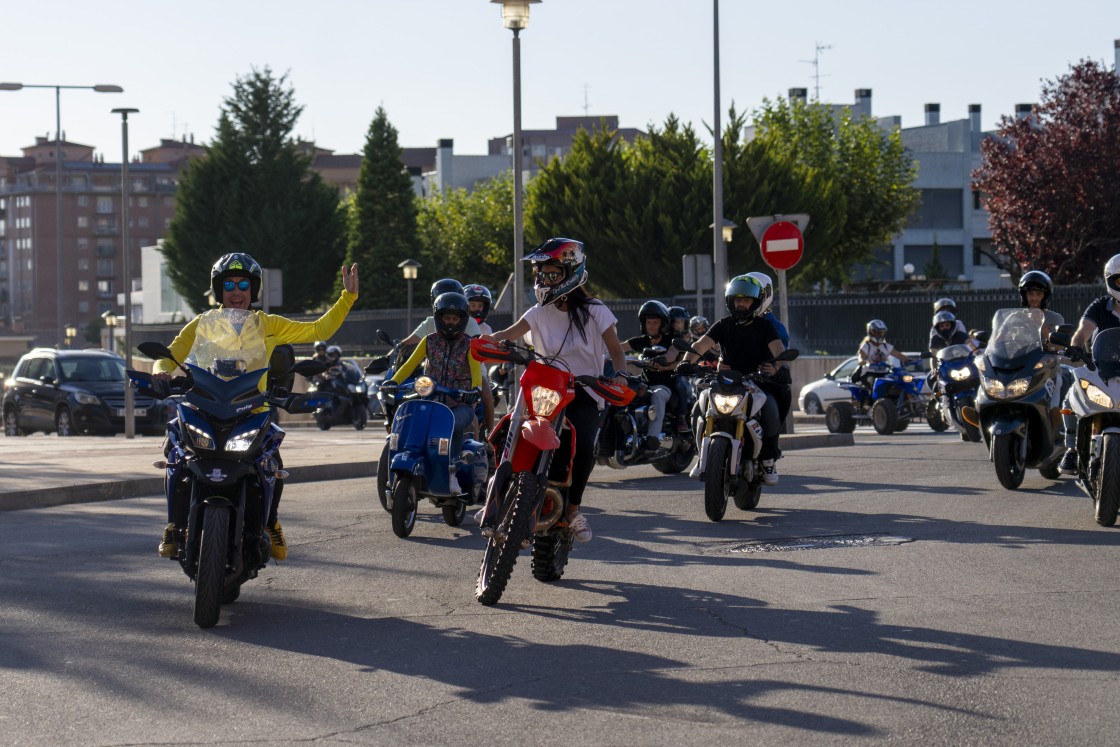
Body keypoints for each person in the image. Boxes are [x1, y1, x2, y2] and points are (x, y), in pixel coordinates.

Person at [155, 253, 359, 560]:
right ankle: (173, 525)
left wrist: (348, 296)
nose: (236, 291)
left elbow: (318, 330)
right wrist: (160, 371)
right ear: (218, 290)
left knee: (272, 460)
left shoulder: (268, 324)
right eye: (229, 285)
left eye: (243, 284)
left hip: (251, 409)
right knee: (174, 445)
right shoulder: (202, 324)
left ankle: (271, 521)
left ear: (253, 290)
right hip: (206, 405)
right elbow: (171, 355)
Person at [483, 237, 629, 543]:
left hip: (583, 392)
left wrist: (621, 375)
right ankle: (497, 495)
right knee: (507, 430)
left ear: (571, 272)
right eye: (540, 274)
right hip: (542, 390)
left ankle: (573, 510)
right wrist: (486, 341)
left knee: (586, 446)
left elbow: (616, 351)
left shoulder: (595, 310)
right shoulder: (537, 312)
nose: (543, 280)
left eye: (551, 274)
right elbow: (507, 334)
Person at [679, 274, 786, 485]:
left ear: (754, 302)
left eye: (746, 300)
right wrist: (686, 362)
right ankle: (702, 455)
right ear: (730, 301)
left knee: (771, 408)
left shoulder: (765, 327)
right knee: (698, 408)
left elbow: (779, 350)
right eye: (737, 299)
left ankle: (768, 458)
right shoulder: (723, 325)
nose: (741, 304)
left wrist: (779, 368)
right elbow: (700, 345)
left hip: (755, 380)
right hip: (726, 380)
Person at [382, 292, 485, 494]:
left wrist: (475, 390)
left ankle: (452, 472)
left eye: (455, 318)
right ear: (438, 318)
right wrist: (394, 380)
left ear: (463, 320)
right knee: (409, 419)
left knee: (453, 424)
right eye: (446, 317)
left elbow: (475, 372)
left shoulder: (469, 344)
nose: (450, 322)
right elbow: (410, 364)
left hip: (460, 403)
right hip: (430, 401)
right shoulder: (429, 341)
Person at [1059, 260, 1120, 474]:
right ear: (1111, 282)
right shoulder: (1099, 306)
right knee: (1070, 398)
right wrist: (1075, 347)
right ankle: (1072, 450)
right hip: (1100, 369)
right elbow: (1083, 332)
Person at [620, 300, 682, 450]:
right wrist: (599, 353)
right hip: (644, 384)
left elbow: (671, 355)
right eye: (649, 322)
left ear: (663, 324)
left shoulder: (671, 342)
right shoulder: (641, 341)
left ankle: (652, 437)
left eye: (655, 322)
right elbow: (617, 348)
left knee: (658, 395)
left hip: (665, 387)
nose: (652, 326)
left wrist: (662, 361)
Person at [745, 271, 792, 421]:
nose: (745, 301)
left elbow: (780, 353)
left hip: (760, 379)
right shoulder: (730, 323)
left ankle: (772, 441)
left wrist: (778, 368)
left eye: (751, 295)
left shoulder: (773, 326)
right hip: (734, 378)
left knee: (781, 394)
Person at [855, 320, 914, 391]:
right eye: (879, 333)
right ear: (872, 332)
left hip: (884, 373)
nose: (881, 335)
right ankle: (872, 401)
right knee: (874, 386)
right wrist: (864, 362)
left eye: (882, 333)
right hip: (869, 373)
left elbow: (898, 354)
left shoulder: (886, 346)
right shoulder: (866, 346)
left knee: (896, 384)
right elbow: (861, 357)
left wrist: (909, 360)